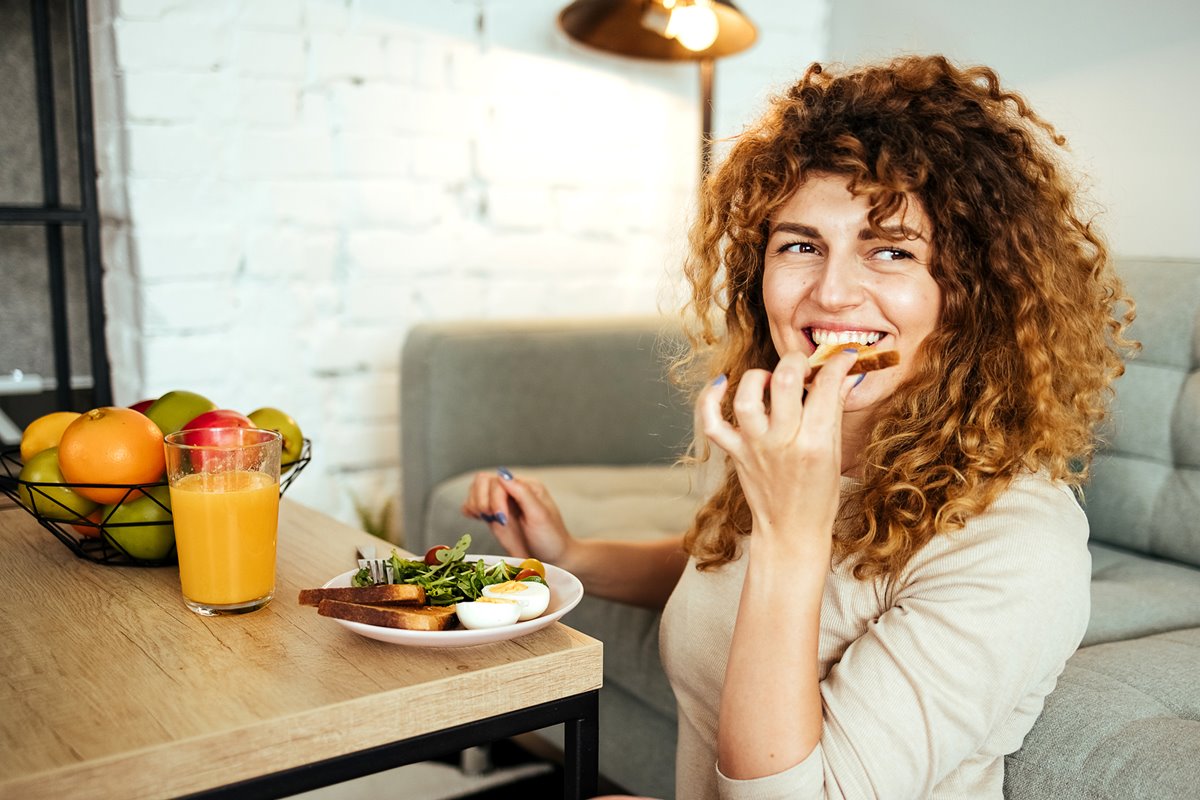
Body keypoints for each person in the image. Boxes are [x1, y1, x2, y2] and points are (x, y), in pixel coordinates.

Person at [462, 54, 1135, 799]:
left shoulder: (1015, 543)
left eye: (891, 251)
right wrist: (577, 557)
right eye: (801, 245)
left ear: (974, 294)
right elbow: (723, 567)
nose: (833, 292)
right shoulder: (796, 435)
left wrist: (793, 528)